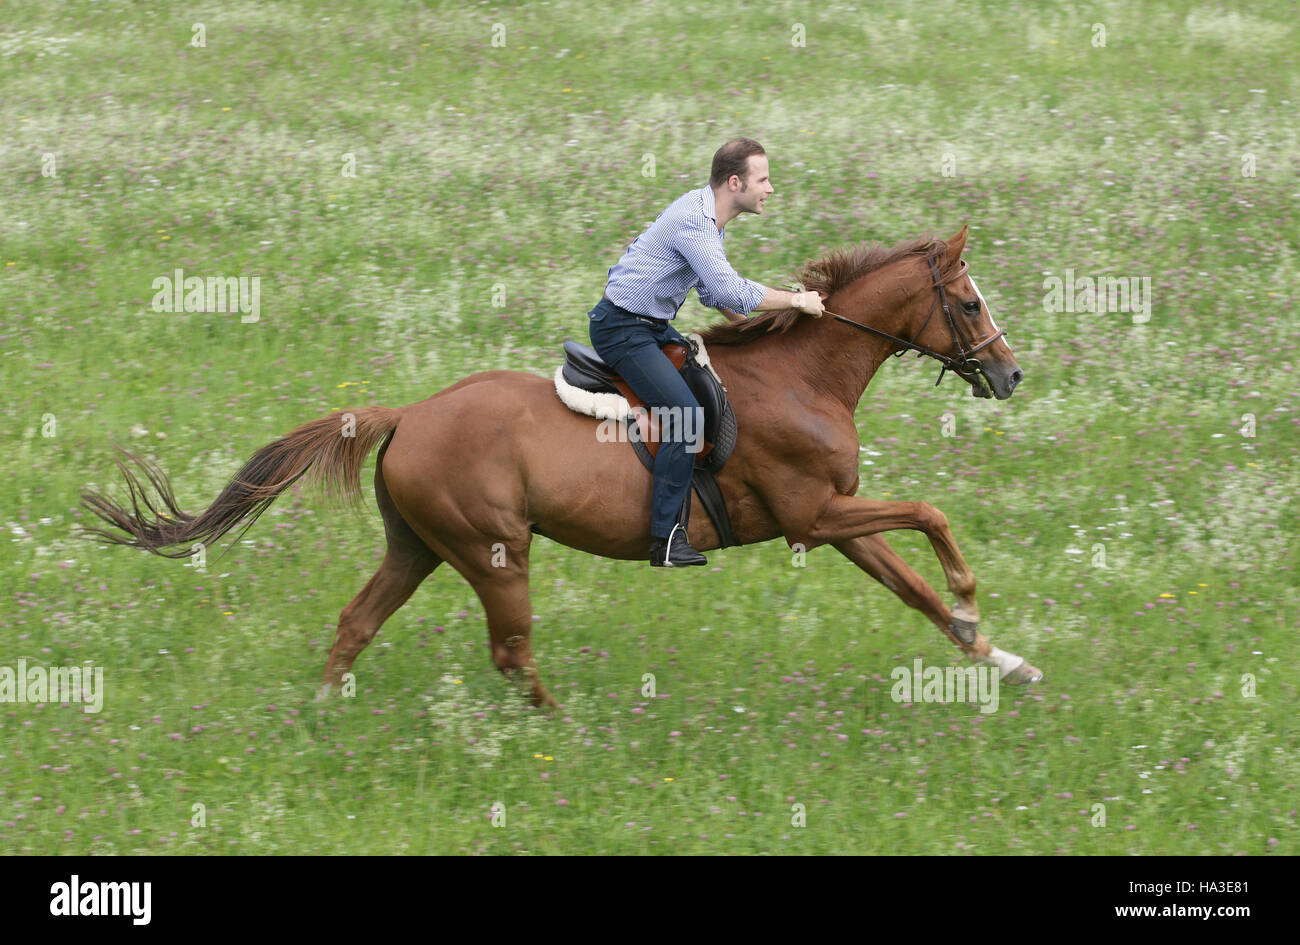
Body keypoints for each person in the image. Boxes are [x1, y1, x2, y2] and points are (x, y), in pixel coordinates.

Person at [588, 138, 826, 567]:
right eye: (763, 179)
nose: (770, 188)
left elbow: (712, 292)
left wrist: (750, 329)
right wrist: (796, 301)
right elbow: (727, 289)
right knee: (685, 416)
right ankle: (665, 540)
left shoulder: (708, 216)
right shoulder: (695, 221)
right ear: (735, 183)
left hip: (650, 325)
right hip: (623, 330)